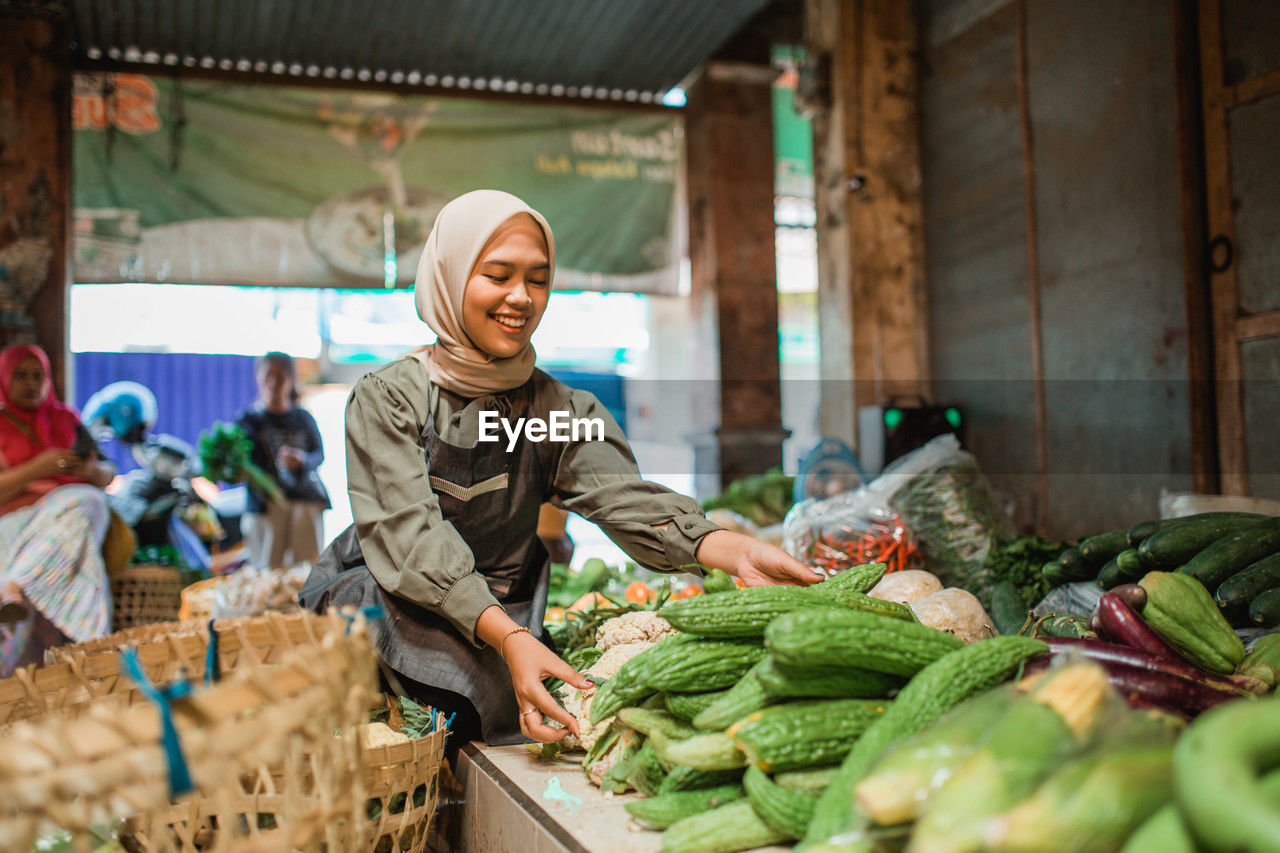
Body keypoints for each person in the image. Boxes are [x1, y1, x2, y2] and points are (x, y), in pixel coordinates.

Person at [300, 190, 822, 748]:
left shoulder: (556, 410)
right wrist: (510, 638)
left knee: (530, 694)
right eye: (498, 275)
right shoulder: (389, 399)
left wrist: (733, 549)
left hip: (505, 612)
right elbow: (411, 542)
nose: (520, 298)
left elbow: (625, 497)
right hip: (392, 604)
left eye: (538, 279)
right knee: (474, 698)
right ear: (448, 279)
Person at [0, 343, 116, 676]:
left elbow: (107, 473)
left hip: (67, 518)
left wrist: (91, 474)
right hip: (16, 526)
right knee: (82, 534)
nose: (31, 383)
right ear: (4, 379)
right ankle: (92, 650)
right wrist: (40, 467)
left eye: (39, 376)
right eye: (20, 375)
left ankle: (14, 584)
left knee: (88, 502)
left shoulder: (67, 419)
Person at [236, 352, 331, 569]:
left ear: (291, 379)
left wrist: (302, 460)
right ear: (258, 378)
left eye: (280, 376)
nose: (274, 382)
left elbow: (319, 455)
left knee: (305, 571)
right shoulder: (248, 422)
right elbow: (241, 465)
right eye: (268, 375)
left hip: (304, 503)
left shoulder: (303, 418)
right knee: (267, 574)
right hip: (266, 508)